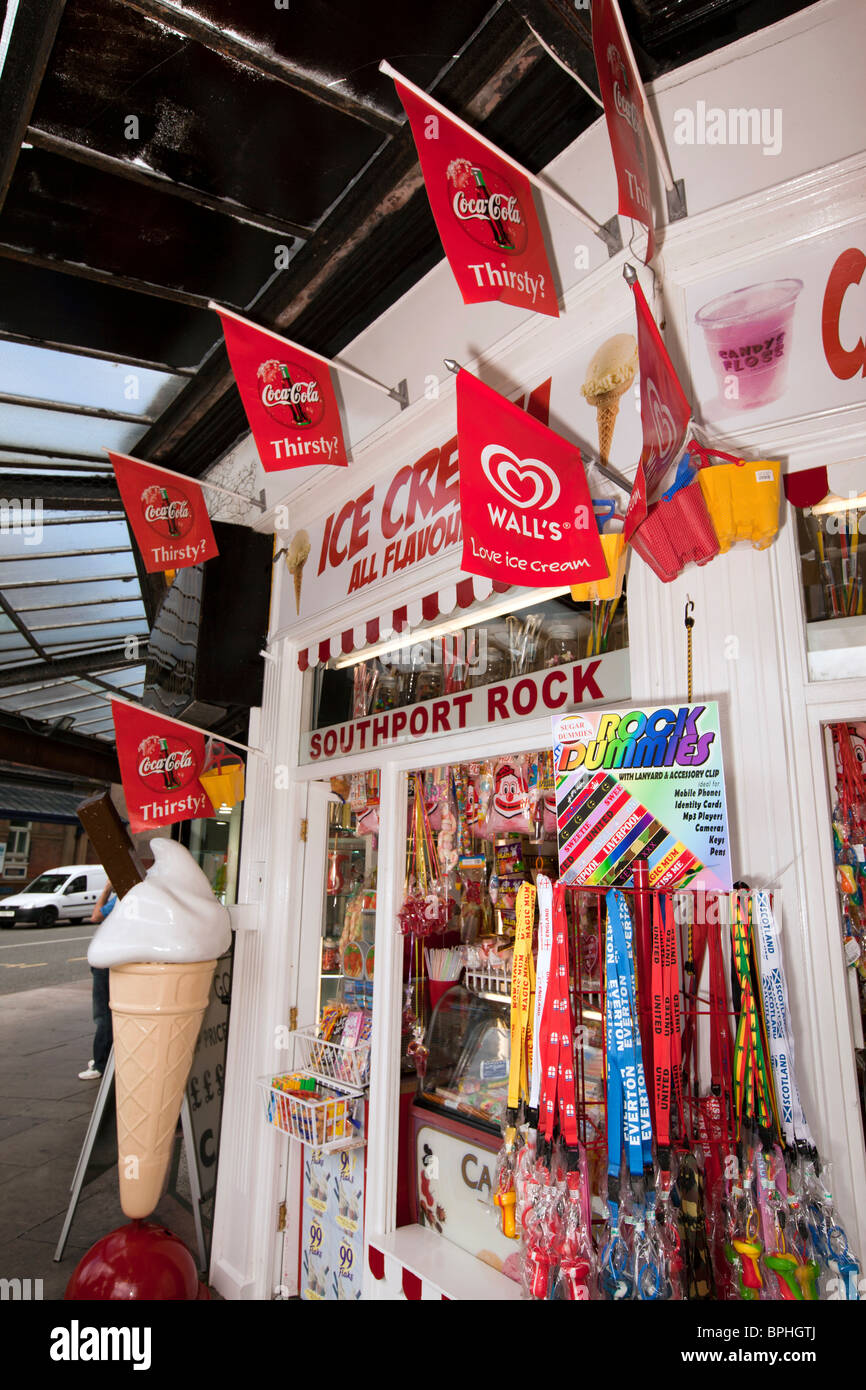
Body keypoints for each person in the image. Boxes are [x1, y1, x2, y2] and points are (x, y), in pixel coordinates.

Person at [79, 881, 117, 1080]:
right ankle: (106, 1059)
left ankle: (100, 1064)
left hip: (106, 961)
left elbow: (96, 915)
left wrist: (106, 889)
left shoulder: (121, 899)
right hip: (118, 961)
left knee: (103, 1014)